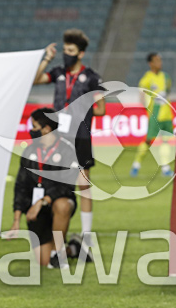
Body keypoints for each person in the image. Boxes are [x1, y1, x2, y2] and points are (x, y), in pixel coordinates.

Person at [34, 29, 105, 261]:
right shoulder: (58, 72)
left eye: (71, 51)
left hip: (81, 136)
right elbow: (35, 80)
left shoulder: (92, 77)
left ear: (81, 53)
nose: (66, 55)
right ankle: (55, 240)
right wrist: (46, 58)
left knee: (83, 185)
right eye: (65, 51)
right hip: (59, 137)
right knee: (56, 186)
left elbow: (102, 109)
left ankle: (86, 237)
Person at [6, 107, 78, 268]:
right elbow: (21, 186)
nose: (31, 131)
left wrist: (42, 201)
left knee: (63, 204)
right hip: (36, 210)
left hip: (56, 203)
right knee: (43, 262)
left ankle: (58, 253)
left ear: (46, 129)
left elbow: (66, 185)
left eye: (34, 127)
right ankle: (74, 248)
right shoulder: (29, 151)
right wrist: (16, 219)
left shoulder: (67, 150)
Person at [131, 52, 174, 178]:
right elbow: (142, 97)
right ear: (150, 63)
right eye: (156, 60)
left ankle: (165, 167)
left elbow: (168, 91)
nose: (159, 63)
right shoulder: (146, 79)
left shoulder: (166, 77)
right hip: (155, 114)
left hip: (167, 114)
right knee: (149, 140)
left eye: (160, 60)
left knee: (166, 141)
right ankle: (136, 164)